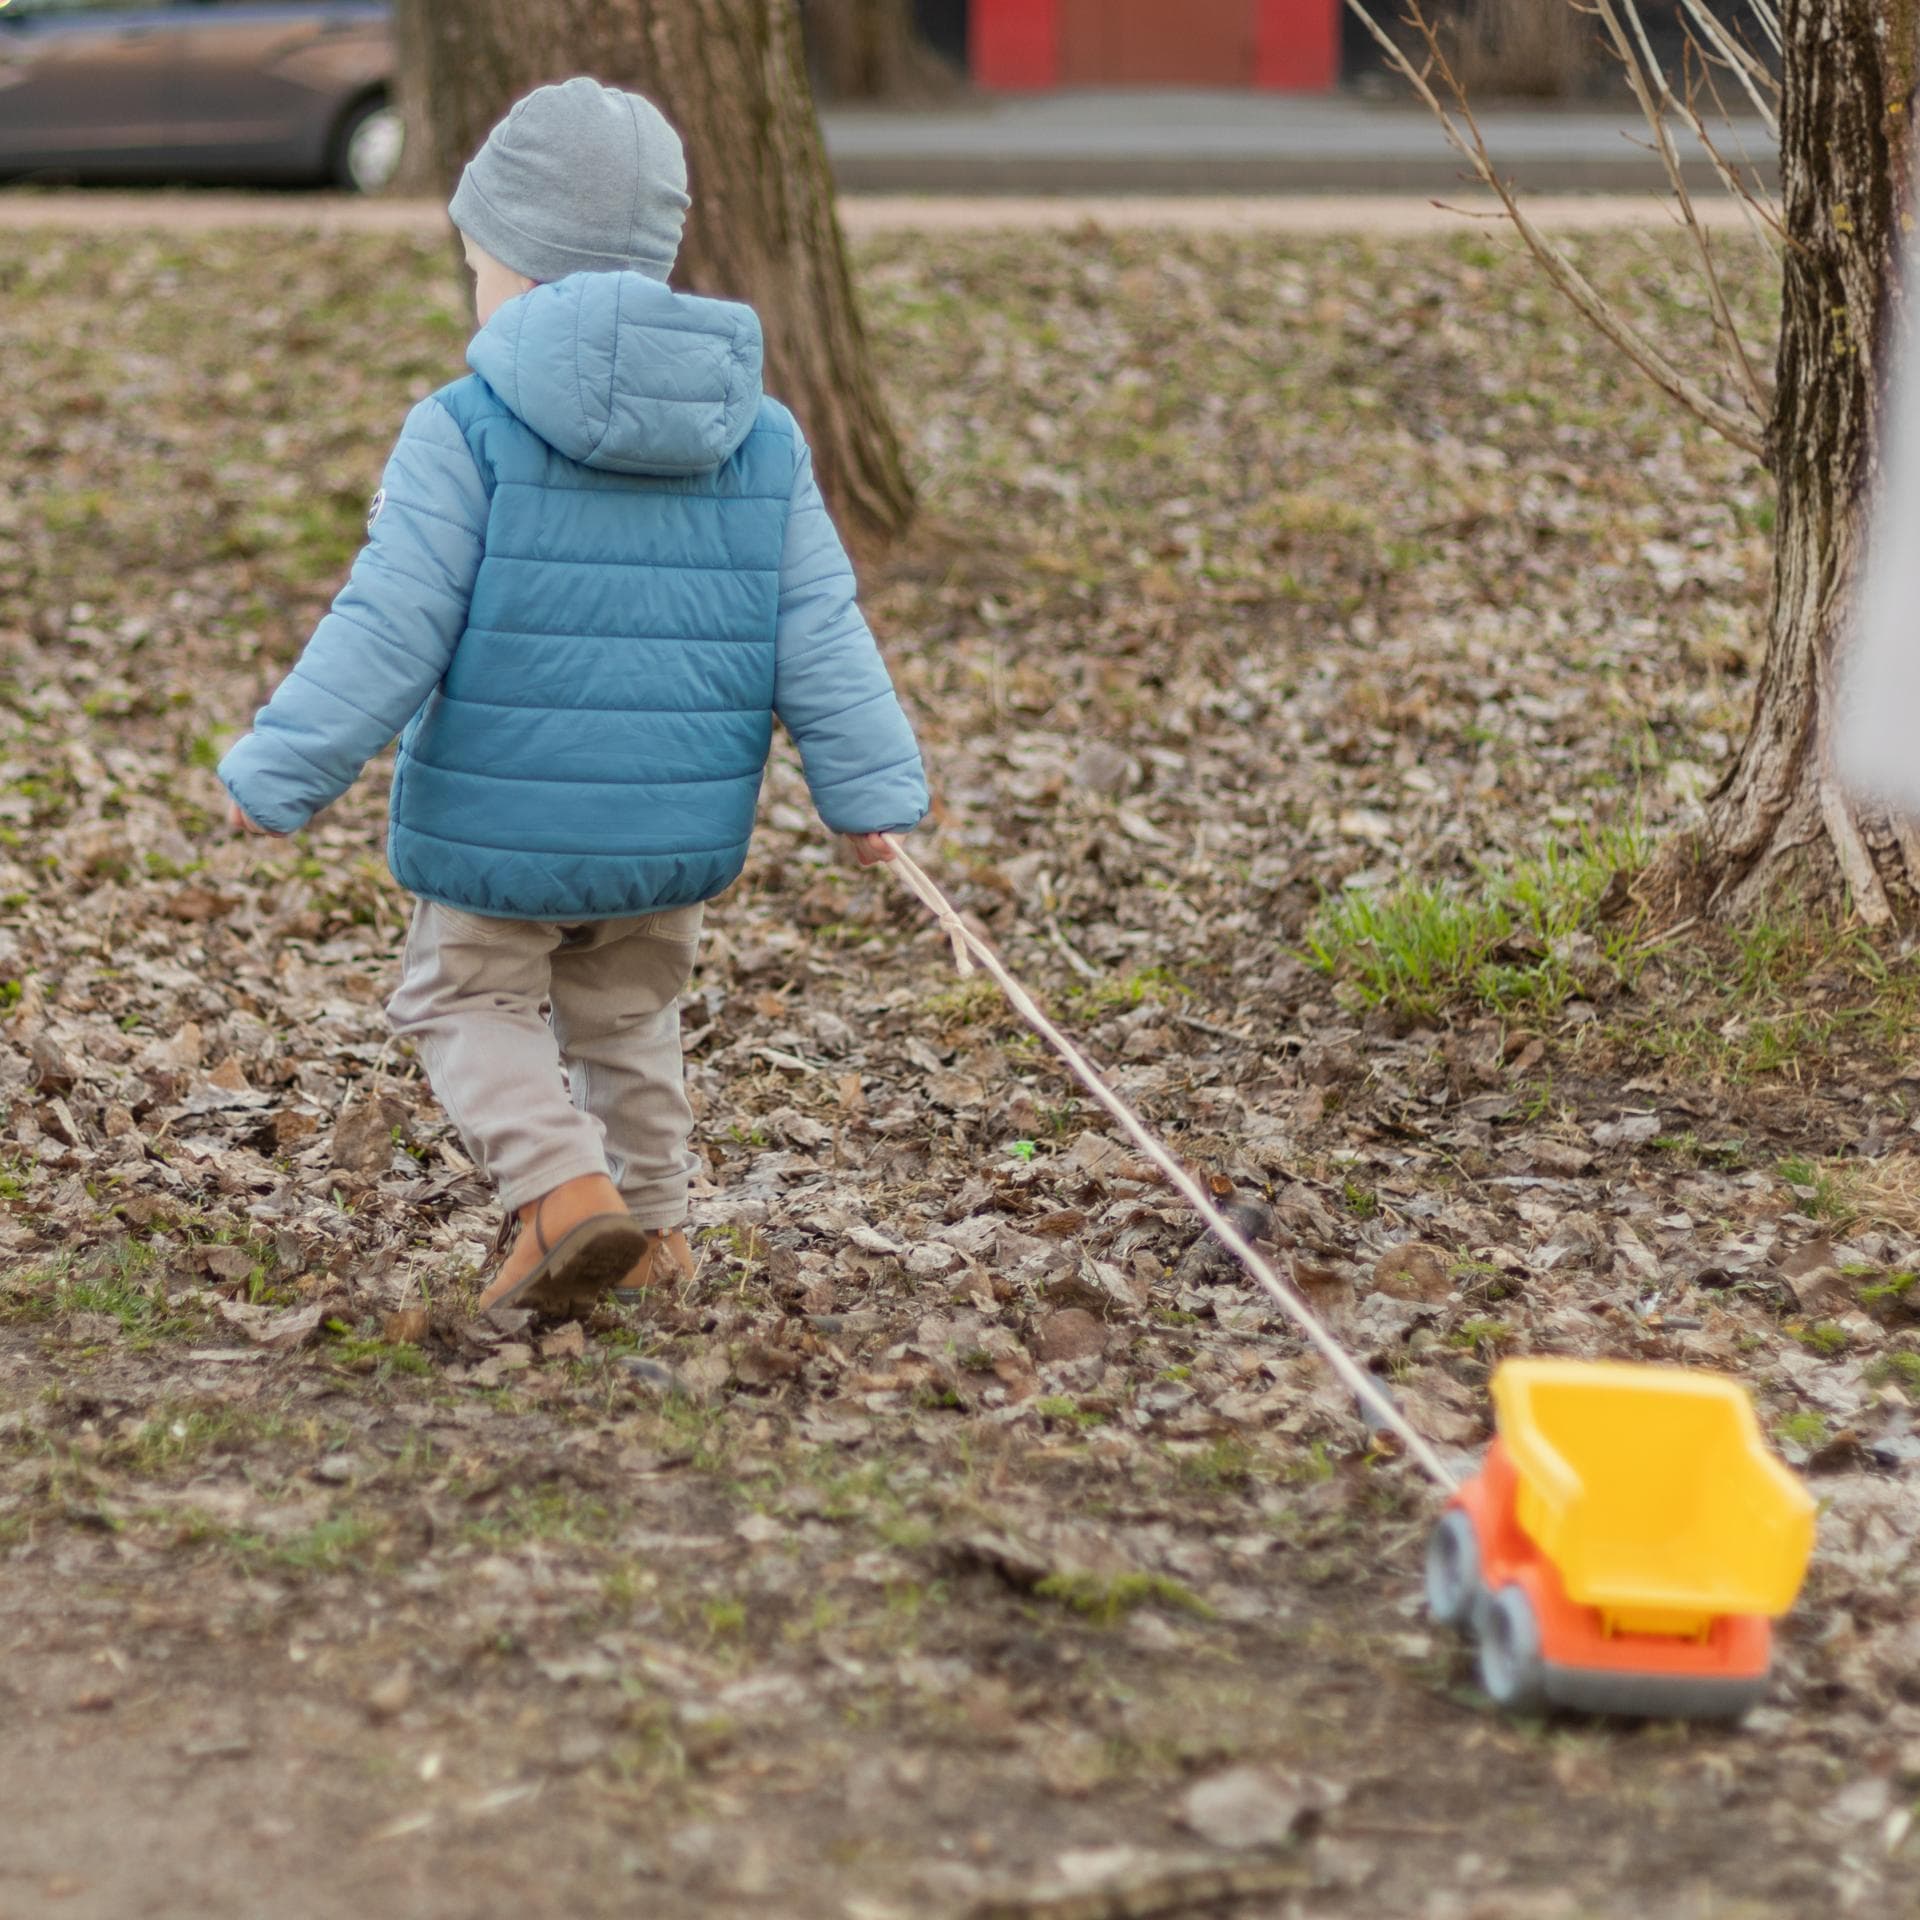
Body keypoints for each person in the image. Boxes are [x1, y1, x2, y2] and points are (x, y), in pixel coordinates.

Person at [217, 78, 928, 1319]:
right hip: (672, 829)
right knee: (630, 1020)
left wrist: (281, 771)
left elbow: (390, 623)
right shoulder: (760, 437)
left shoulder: (464, 428)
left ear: (518, 264)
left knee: (461, 994)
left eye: (477, 264)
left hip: (505, 828)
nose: (475, 289)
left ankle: (560, 1191)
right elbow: (820, 626)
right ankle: (656, 1233)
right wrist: (869, 794)